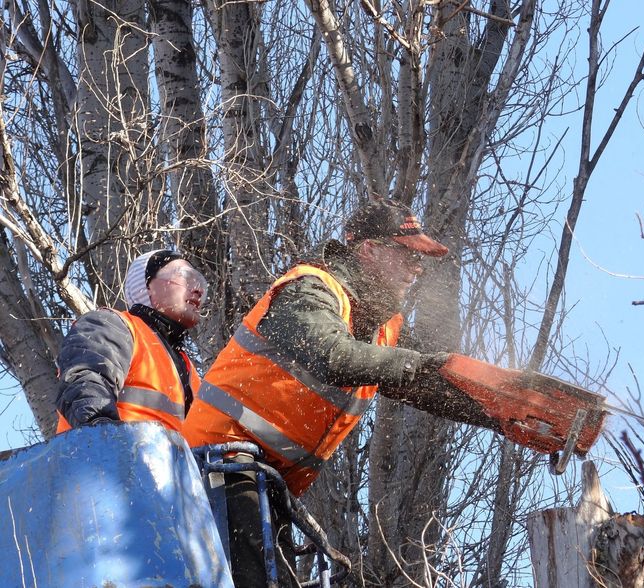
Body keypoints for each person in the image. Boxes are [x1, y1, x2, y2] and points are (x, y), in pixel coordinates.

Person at [183, 199, 497, 587]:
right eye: (407, 255)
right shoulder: (308, 288)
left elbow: (431, 382)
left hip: (262, 482)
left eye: (421, 260)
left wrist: (504, 412)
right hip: (217, 467)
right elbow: (332, 354)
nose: (417, 269)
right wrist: (418, 362)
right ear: (369, 249)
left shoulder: (382, 327)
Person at [56, 249, 207, 433]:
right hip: (107, 457)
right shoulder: (112, 325)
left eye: (199, 282)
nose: (198, 290)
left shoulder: (189, 371)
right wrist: (104, 436)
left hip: (164, 461)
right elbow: (85, 383)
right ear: (147, 287)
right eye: (185, 276)